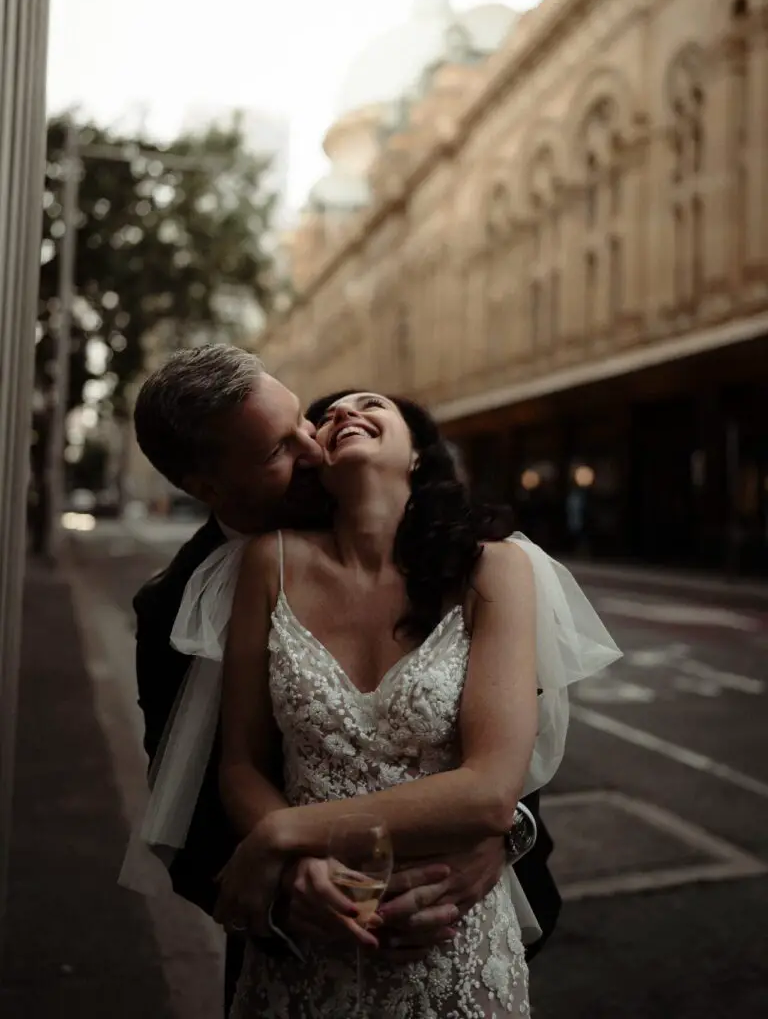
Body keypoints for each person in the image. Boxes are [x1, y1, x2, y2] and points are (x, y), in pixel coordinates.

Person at [133, 387, 621, 1017]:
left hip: (449, 936)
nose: (330, 423)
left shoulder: (494, 569)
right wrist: (287, 883)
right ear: (211, 484)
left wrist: (284, 834)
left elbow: (497, 781)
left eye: (368, 405)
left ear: (419, 454)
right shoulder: (253, 568)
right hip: (304, 953)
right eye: (310, 427)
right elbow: (221, 778)